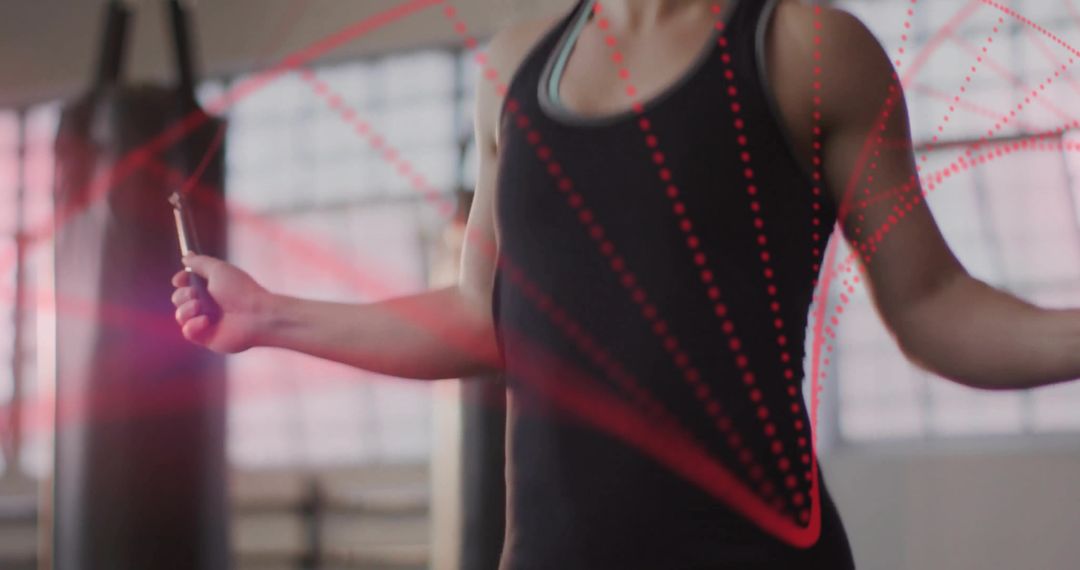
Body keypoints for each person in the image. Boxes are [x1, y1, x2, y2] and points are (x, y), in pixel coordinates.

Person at [171, 0, 1080, 568]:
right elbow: (479, 318)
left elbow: (933, 310)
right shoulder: (511, 72)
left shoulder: (806, 46)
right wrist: (268, 313)